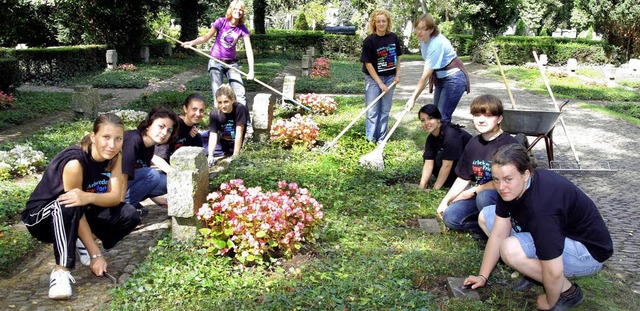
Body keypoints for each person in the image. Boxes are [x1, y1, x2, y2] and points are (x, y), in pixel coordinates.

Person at [463, 143, 613, 310]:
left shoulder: (543, 208)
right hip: (557, 233)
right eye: (496, 180)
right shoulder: (511, 188)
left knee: (510, 249)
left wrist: (550, 301)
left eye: (507, 179)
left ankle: (568, 292)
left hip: (587, 253)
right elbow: (498, 233)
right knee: (486, 216)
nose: (501, 187)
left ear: (526, 174)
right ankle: (532, 270)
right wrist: (482, 276)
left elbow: (554, 271)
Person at [21, 113, 141, 299]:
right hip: (42, 219)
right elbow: (75, 207)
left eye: (118, 139)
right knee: (68, 203)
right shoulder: (75, 163)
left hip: (78, 209)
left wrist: (87, 197)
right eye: (106, 137)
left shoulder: (115, 156)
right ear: (93, 137)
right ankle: (61, 271)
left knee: (129, 214)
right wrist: (95, 255)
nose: (112, 145)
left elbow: (115, 197)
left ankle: (79, 240)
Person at [436, 95, 517, 234]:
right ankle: (485, 226)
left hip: (507, 199)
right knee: (450, 217)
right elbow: (463, 177)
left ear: (499, 118)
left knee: (484, 196)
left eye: (488, 116)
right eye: (477, 115)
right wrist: (446, 200)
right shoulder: (474, 143)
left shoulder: (509, 145)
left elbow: (505, 181)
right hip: (480, 197)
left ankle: (502, 233)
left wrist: (472, 191)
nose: (481, 120)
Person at [182, 0, 254, 110]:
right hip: (215, 61)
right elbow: (206, 37)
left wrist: (251, 71)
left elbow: (249, 50)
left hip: (231, 63)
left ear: (242, 13)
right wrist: (191, 43)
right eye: (236, 8)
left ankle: (246, 125)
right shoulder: (221, 22)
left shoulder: (242, 28)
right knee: (218, 95)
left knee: (240, 94)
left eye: (241, 10)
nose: (238, 11)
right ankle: (219, 123)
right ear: (231, 9)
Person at [405, 13, 470, 124]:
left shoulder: (436, 44)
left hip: (454, 79)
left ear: (431, 30)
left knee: (442, 117)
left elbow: (425, 76)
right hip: (441, 78)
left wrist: (413, 98)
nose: (419, 32)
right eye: (418, 28)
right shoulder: (424, 40)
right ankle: (437, 141)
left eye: (423, 29)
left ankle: (446, 140)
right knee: (436, 115)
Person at [122, 107, 179, 210]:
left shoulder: (150, 145)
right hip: (110, 185)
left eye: (169, 130)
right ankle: (123, 206)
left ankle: (131, 205)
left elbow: (144, 179)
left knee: (166, 181)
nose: (164, 133)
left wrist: (157, 199)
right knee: (152, 175)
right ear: (148, 124)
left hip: (127, 184)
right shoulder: (133, 140)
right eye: (161, 126)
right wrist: (121, 210)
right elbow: (122, 176)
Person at [360, 8, 402, 143]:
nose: (381, 24)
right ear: (374, 23)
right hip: (373, 79)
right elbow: (368, 64)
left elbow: (398, 58)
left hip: (390, 79)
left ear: (387, 22)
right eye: (378, 21)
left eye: (384, 21)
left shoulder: (393, 37)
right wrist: (379, 83)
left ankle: (381, 139)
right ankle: (370, 140)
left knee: (385, 110)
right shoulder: (369, 40)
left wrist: (397, 74)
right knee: (372, 111)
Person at [418, 104, 472, 190]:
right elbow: (428, 162)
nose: (426, 123)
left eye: (430, 118)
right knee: (428, 156)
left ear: (438, 119)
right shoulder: (431, 137)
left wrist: (434, 190)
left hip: (469, 169)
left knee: (440, 157)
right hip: (455, 165)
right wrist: (421, 186)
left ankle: (452, 184)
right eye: (422, 120)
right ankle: (444, 183)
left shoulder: (451, 135)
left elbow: (447, 165)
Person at [204, 83, 250, 166]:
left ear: (232, 100)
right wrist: (210, 155)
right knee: (200, 139)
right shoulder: (214, 112)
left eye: (226, 102)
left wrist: (236, 155)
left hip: (234, 143)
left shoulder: (239, 109)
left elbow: (239, 133)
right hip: (221, 141)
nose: (223, 106)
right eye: (220, 102)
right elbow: (213, 134)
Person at [154, 93, 206, 163]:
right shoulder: (174, 125)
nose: (198, 114)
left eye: (201, 110)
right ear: (185, 109)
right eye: (194, 109)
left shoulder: (193, 133)